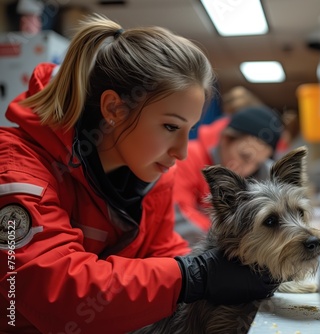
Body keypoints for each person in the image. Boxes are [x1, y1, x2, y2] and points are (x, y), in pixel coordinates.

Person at [0, 14, 278, 333]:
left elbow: (162, 256)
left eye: (188, 131)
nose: (182, 153)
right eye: (170, 126)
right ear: (114, 109)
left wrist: (218, 270)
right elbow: (59, 297)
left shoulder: (153, 176)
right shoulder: (15, 170)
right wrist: (194, 276)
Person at [173, 105, 283, 245]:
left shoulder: (253, 174)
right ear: (226, 139)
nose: (247, 169)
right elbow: (179, 219)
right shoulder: (186, 158)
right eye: (245, 156)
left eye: (256, 164)